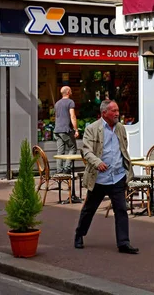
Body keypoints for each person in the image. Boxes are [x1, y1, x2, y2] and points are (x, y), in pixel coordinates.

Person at [74, 100, 139, 254]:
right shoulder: (92, 129)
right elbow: (86, 151)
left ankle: (123, 242)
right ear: (104, 113)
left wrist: (124, 168)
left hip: (117, 177)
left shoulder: (121, 128)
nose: (117, 114)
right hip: (99, 178)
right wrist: (97, 162)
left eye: (118, 110)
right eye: (114, 111)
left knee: (121, 210)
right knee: (89, 209)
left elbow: (123, 148)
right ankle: (79, 234)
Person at [54, 86, 79, 173]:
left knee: (60, 151)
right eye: (71, 90)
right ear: (68, 92)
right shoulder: (70, 102)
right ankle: (67, 169)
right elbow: (72, 116)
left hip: (57, 130)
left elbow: (57, 117)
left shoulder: (57, 103)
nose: (71, 91)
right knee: (73, 148)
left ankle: (59, 171)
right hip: (65, 130)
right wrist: (76, 130)